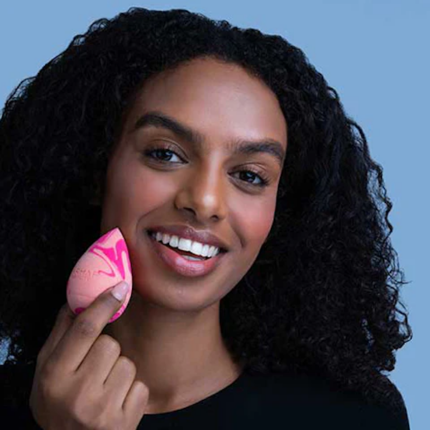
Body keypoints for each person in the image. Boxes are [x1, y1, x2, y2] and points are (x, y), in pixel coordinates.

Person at [0, 7, 412, 429]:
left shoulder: (356, 418)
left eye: (249, 176)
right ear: (95, 167)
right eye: (165, 154)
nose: (205, 200)